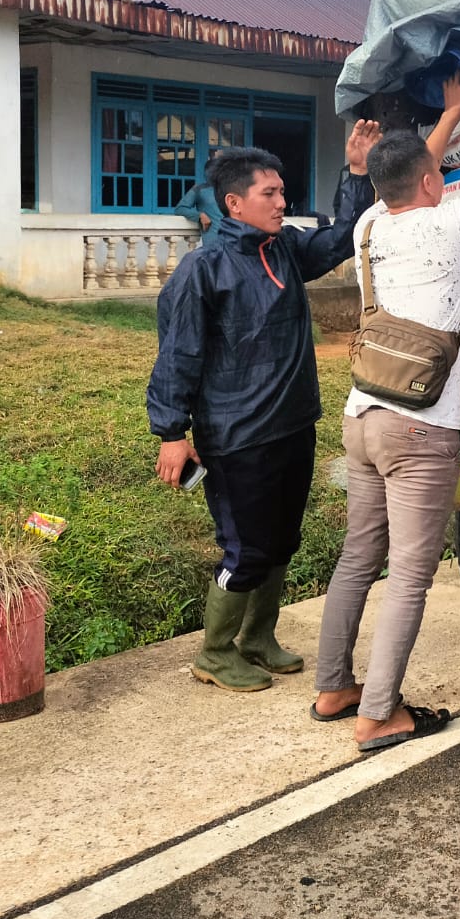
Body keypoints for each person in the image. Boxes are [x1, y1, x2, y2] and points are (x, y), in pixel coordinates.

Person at [311, 74, 460, 750]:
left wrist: (450, 114)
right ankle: (379, 714)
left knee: (359, 557)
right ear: (433, 183)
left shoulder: (369, 225)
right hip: (419, 427)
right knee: (409, 575)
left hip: (362, 418)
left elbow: (411, 171)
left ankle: (333, 688)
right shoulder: (450, 226)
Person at [147, 127, 382, 692]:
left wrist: (355, 173)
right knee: (245, 547)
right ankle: (215, 650)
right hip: (236, 437)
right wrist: (171, 432)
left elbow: (344, 238)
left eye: (283, 193)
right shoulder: (204, 271)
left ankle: (258, 638)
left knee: (282, 540)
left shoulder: (283, 250)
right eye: (269, 194)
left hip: (292, 425)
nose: (282, 203)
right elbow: (178, 354)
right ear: (234, 203)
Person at [174, 180, 225, 246]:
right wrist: (200, 215)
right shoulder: (200, 189)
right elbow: (180, 209)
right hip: (213, 244)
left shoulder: (236, 189)